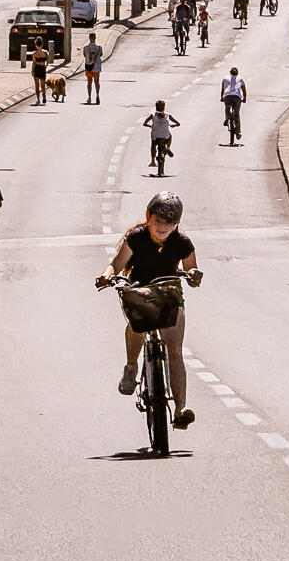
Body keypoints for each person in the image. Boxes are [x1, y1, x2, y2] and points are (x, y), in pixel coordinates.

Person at [95, 192, 200, 430]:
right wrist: (107, 276)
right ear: (148, 217)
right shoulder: (136, 237)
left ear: (177, 225)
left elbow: (191, 269)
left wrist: (194, 276)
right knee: (136, 327)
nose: (163, 227)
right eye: (158, 221)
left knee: (175, 350)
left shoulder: (182, 243)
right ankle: (131, 366)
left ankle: (181, 408)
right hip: (138, 291)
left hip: (169, 294)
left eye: (169, 223)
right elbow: (117, 264)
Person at [144, 100, 180, 166]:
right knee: (170, 136)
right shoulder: (168, 115)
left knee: (153, 146)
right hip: (165, 136)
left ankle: (153, 161)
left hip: (155, 136)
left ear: (156, 107)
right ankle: (168, 147)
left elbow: (145, 123)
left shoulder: (152, 115)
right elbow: (178, 123)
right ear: (164, 107)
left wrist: (151, 126)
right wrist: (174, 125)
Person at [220, 66, 246, 142]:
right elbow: (244, 90)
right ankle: (238, 133)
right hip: (237, 98)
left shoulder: (225, 78)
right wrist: (244, 99)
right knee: (236, 114)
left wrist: (222, 97)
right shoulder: (240, 79)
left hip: (227, 96)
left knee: (227, 108)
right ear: (237, 73)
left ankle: (227, 118)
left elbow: (223, 89)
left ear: (230, 73)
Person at [82, 33, 105, 105]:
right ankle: (97, 95)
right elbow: (101, 54)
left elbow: (84, 55)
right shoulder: (99, 47)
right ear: (95, 38)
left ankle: (89, 97)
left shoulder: (85, 47)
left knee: (89, 82)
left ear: (89, 38)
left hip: (88, 66)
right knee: (97, 82)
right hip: (96, 67)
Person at [30, 40, 51, 104]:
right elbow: (48, 61)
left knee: (37, 85)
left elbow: (34, 63)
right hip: (42, 68)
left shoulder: (34, 53)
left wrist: (32, 71)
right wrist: (45, 67)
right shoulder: (45, 52)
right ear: (42, 45)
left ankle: (38, 99)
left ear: (36, 45)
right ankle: (44, 96)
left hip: (36, 68)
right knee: (43, 85)